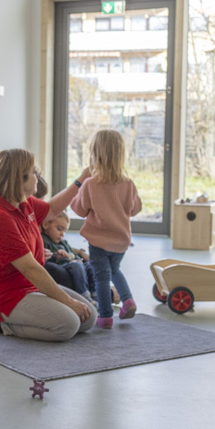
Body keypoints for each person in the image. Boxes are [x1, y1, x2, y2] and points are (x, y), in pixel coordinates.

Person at [0, 149, 97, 340]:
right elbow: (30, 268)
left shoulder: (23, 203)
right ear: (19, 178)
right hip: (3, 296)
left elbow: (52, 209)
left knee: (88, 317)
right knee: (68, 325)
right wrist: (69, 302)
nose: (38, 176)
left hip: (29, 286)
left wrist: (82, 179)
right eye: (34, 171)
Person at [70, 130, 142, 329]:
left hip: (98, 241)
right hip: (121, 241)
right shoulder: (128, 184)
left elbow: (79, 210)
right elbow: (135, 209)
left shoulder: (90, 184)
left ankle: (106, 316)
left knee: (101, 276)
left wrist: (78, 191)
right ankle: (128, 300)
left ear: (95, 155)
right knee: (115, 270)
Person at [40, 212, 94, 299]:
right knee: (77, 266)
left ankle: (95, 293)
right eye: (59, 229)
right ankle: (84, 294)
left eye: (65, 231)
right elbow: (45, 258)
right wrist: (56, 256)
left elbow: (73, 254)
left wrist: (78, 259)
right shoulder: (43, 240)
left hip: (73, 264)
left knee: (90, 266)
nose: (62, 234)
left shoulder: (64, 243)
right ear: (46, 225)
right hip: (62, 267)